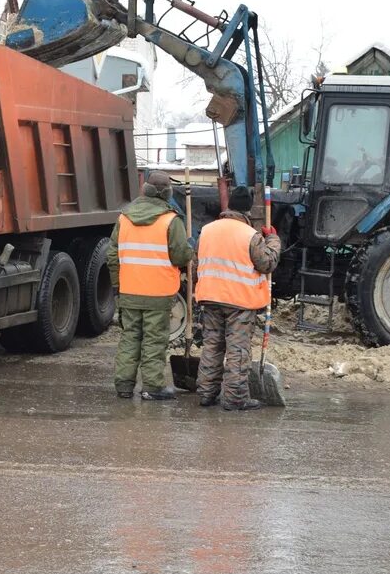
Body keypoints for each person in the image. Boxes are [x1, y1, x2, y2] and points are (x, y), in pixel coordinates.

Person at [106, 170, 194, 401]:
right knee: (154, 340)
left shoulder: (123, 218)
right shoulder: (170, 220)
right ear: (167, 193)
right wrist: (190, 248)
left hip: (129, 291)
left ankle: (124, 386)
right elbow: (180, 257)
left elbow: (112, 256)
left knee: (129, 338)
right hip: (158, 293)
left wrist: (118, 286)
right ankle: (153, 387)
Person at [194, 185, 281, 412]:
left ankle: (206, 393)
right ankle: (234, 398)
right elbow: (267, 263)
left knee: (211, 346)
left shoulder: (207, 230)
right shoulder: (249, 235)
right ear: (247, 211)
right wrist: (272, 240)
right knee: (237, 350)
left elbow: (197, 263)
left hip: (210, 298)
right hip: (239, 302)